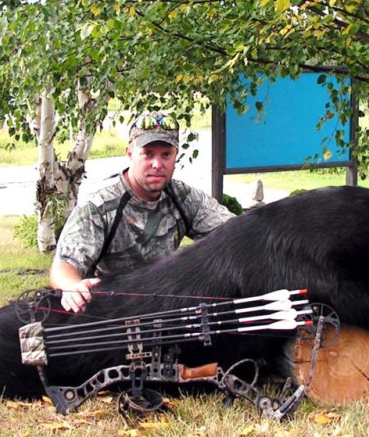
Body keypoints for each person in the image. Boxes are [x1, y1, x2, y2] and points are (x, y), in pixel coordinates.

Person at [50, 111, 235, 312]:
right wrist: (72, 287)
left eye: (166, 154)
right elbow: (64, 266)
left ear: (176, 155)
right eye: (147, 154)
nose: (157, 164)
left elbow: (237, 234)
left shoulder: (185, 198)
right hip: (114, 313)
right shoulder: (100, 206)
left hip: (165, 307)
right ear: (130, 153)